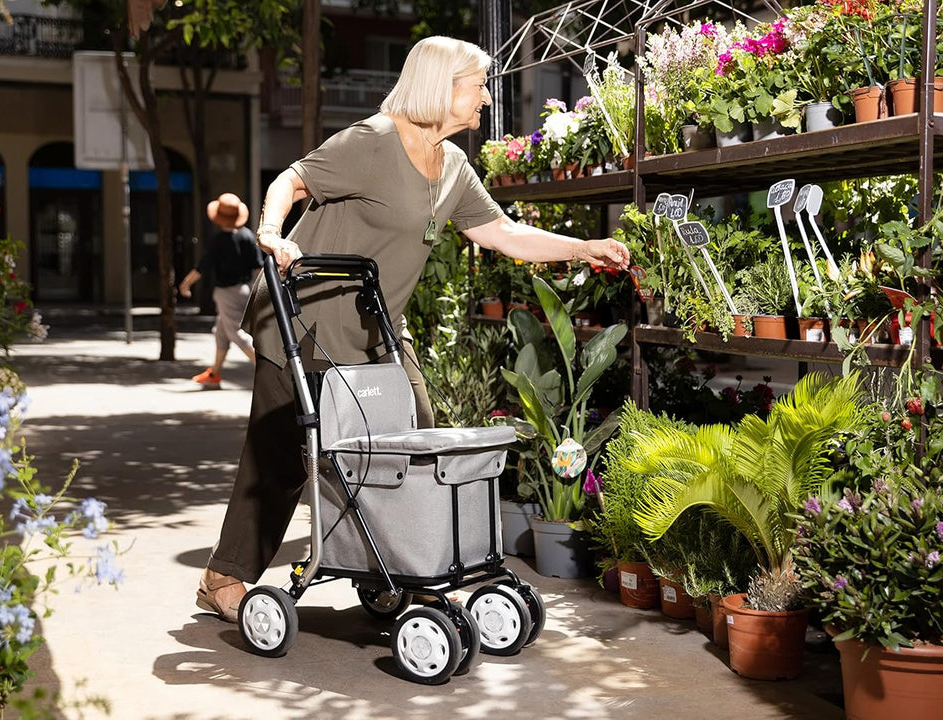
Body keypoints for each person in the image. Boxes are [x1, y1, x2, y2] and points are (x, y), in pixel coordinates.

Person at [195, 36, 630, 621]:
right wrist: (273, 233)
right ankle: (225, 576)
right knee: (280, 458)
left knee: (416, 438)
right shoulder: (374, 142)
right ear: (442, 86)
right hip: (305, 321)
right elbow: (290, 181)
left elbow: (501, 233)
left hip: (377, 328)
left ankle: (400, 566)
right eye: (477, 84)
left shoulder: (453, 166)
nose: (485, 96)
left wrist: (582, 248)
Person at [179, 192, 263, 389]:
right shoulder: (248, 236)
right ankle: (214, 374)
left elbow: (203, 266)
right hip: (246, 289)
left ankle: (267, 372)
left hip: (227, 292)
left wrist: (186, 283)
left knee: (237, 334)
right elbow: (259, 267)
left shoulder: (218, 241)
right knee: (221, 332)